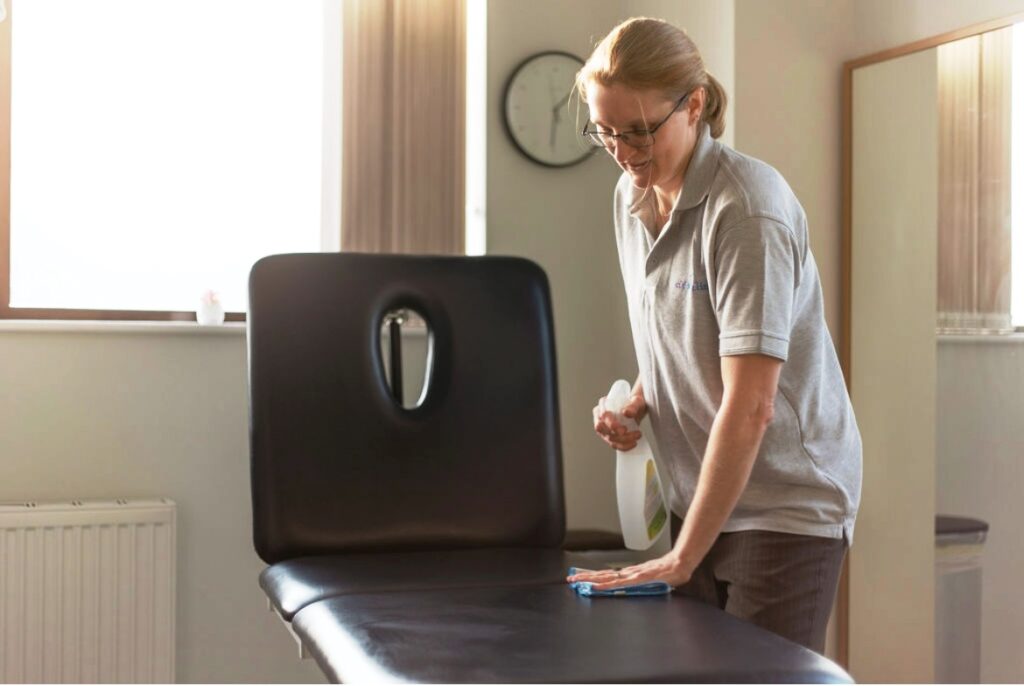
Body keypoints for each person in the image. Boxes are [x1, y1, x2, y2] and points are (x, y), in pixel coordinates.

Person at [564, 17, 862, 655]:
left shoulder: (746, 209)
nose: (622, 150)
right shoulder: (631, 197)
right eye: (606, 131)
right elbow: (684, 330)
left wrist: (680, 560)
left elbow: (752, 404)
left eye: (640, 130)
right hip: (700, 492)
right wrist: (641, 398)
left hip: (783, 506)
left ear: (693, 104)